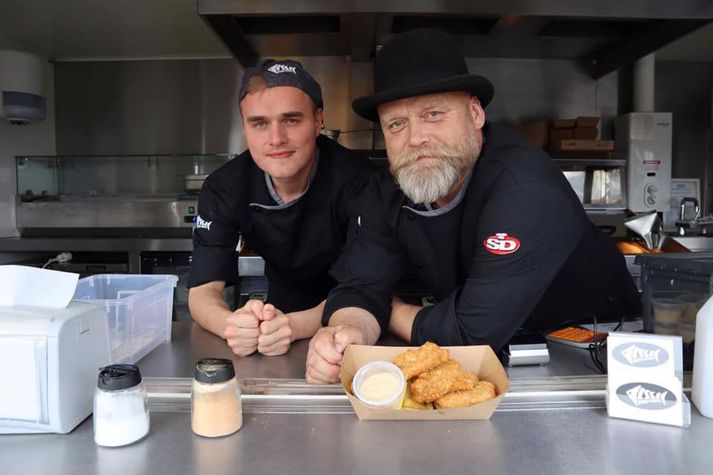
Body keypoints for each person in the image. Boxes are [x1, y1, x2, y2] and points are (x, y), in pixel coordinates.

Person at [305, 29, 641, 383]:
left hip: (593, 349)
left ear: (475, 113)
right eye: (396, 124)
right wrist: (346, 332)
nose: (415, 137)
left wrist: (385, 308)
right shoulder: (387, 188)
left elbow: (470, 334)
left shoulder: (525, 188)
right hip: (498, 352)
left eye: (433, 114)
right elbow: (360, 285)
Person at [188, 59, 373, 357]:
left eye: (291, 120)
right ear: (245, 128)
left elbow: (365, 285)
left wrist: (296, 326)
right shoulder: (225, 186)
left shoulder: (361, 182)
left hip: (358, 323)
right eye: (259, 123)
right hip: (280, 317)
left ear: (318, 120)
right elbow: (202, 291)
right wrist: (231, 325)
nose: (276, 139)